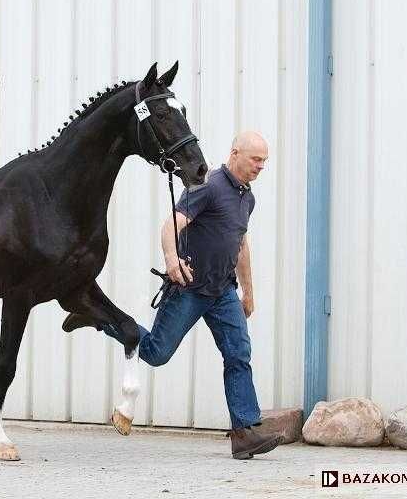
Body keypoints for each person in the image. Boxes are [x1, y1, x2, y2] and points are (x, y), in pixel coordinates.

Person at [64, 130, 282, 459]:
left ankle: (245, 432)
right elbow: (171, 226)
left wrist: (249, 293)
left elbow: (240, 245)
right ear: (234, 153)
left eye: (264, 161)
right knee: (156, 352)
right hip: (190, 287)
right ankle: (99, 318)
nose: (261, 166)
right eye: (256, 159)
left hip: (223, 291)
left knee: (238, 354)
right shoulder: (207, 184)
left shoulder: (246, 197)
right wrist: (172, 259)